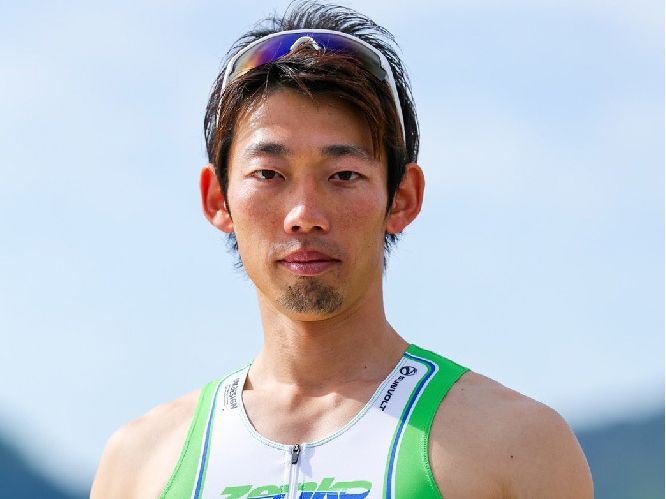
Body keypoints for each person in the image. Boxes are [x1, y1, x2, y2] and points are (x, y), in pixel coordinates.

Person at [91, 2, 593, 498]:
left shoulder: (515, 446)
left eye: (344, 175)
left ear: (402, 197)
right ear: (217, 199)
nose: (304, 213)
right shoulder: (140, 465)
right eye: (269, 174)